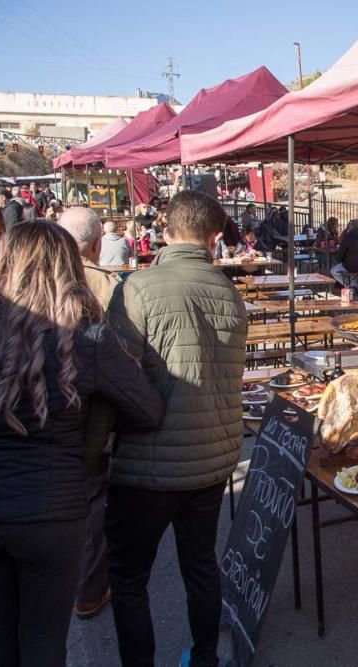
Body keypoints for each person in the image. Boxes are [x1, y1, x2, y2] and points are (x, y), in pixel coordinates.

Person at [0, 221, 164, 667]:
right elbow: (147, 410)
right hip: (49, 510)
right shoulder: (87, 342)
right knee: (43, 640)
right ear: (69, 271)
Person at [106, 190, 247, 667]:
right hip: (210, 460)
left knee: (128, 580)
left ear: (165, 231)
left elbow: (113, 378)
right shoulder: (230, 293)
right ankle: (205, 658)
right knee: (201, 567)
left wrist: (92, 456)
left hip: (145, 465)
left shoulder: (137, 288)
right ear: (214, 237)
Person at [58, 207, 122, 620]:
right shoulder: (105, 284)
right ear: (97, 243)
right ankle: (88, 590)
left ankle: (71, 585)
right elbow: (122, 350)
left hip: (37, 413)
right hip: (89, 412)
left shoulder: (21, 282)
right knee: (93, 495)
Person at [331, 218, 358, 287]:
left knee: (334, 271)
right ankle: (354, 284)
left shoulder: (348, 236)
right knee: (351, 267)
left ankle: (351, 285)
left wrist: (341, 260)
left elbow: (340, 254)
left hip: (352, 266)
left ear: (351, 226)